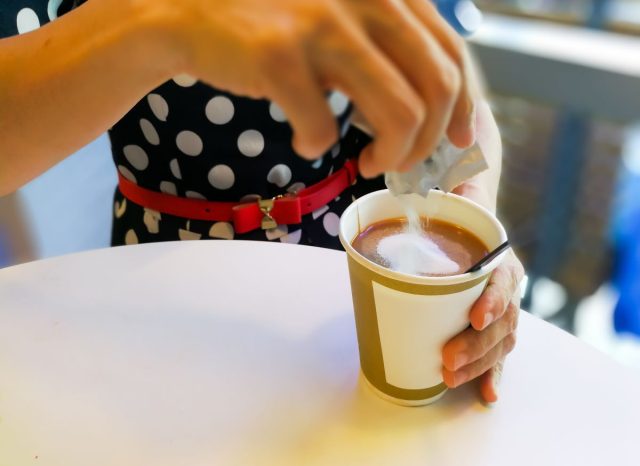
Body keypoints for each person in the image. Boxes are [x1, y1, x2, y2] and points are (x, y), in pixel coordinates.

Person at [0, 0, 524, 403]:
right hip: (157, 286)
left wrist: (471, 227)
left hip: (347, 298)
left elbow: (451, 100)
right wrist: (167, 21)